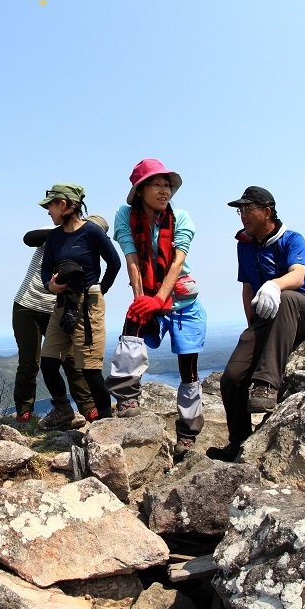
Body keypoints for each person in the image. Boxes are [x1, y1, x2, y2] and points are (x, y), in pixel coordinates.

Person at [209, 186, 305, 462]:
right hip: (267, 320)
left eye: (248, 209)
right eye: (240, 210)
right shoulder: (244, 245)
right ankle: (238, 443)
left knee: (287, 298)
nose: (243, 215)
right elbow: (247, 288)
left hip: (302, 312)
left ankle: (267, 385)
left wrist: (275, 284)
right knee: (232, 378)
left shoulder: (292, 239)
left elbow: (297, 275)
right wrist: (252, 328)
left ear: (267, 211)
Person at [106, 159, 208, 457]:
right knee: (132, 326)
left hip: (183, 303)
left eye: (168, 185)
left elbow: (177, 261)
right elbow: (132, 257)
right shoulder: (125, 215)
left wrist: (159, 298)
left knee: (188, 370)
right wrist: (141, 300)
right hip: (149, 292)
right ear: (140, 190)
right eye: (157, 184)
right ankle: (126, 397)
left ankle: (188, 434)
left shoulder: (182, 217)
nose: (165, 191)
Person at [37, 183, 121, 428]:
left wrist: (98, 289)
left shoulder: (92, 231)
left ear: (63, 205)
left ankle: (107, 423)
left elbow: (114, 263)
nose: (48, 211)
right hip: (63, 303)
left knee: (90, 369)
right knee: (49, 362)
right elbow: (45, 270)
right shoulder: (53, 237)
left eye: (50, 206)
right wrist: (50, 286)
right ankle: (63, 409)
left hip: (88, 305)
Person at [12, 226, 96, 423]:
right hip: (26, 305)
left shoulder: (86, 248)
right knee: (29, 361)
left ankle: (88, 407)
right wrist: (63, 232)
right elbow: (28, 238)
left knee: (71, 359)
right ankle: (24, 410)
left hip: (57, 310)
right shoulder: (54, 231)